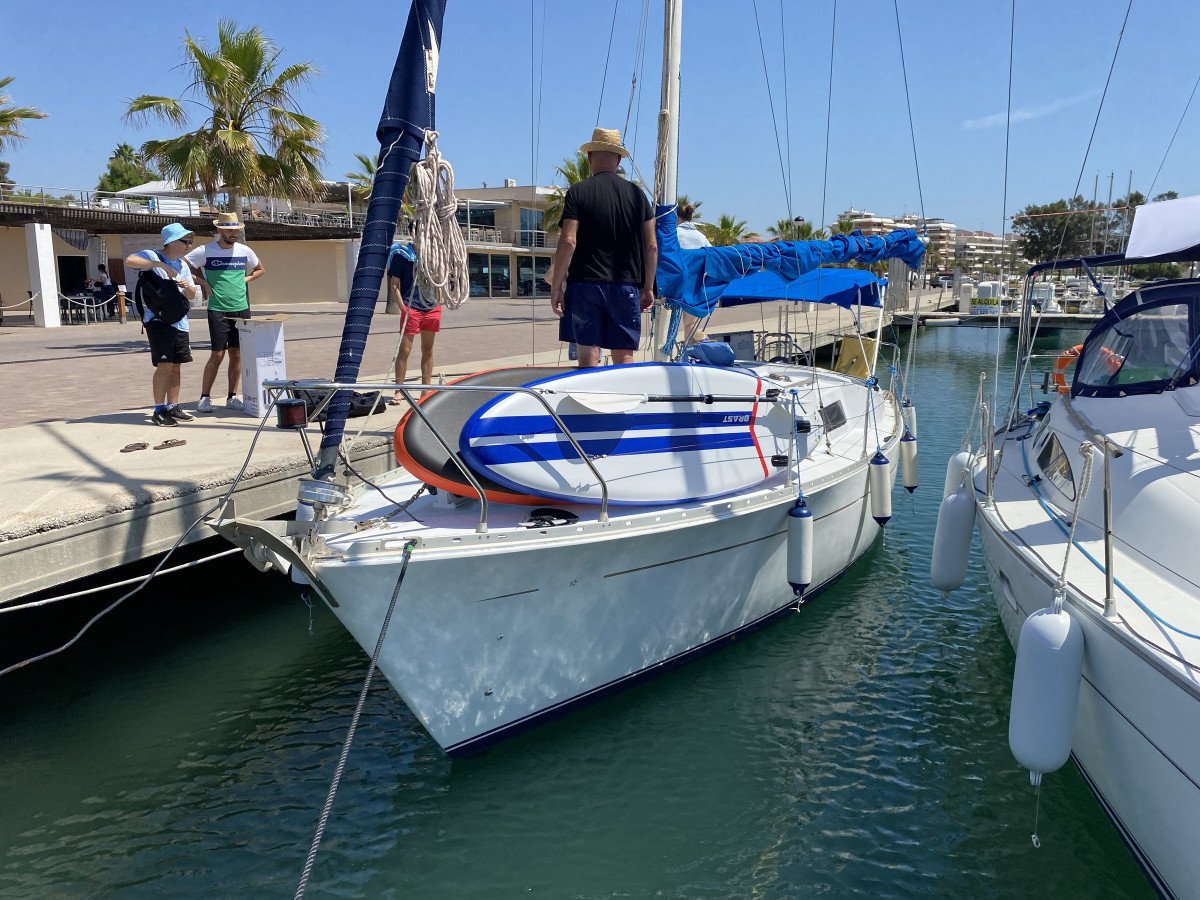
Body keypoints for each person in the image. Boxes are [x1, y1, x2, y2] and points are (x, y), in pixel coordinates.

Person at [549, 127, 657, 368]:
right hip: (625, 285)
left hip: (584, 286)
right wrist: (648, 287)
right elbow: (651, 246)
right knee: (624, 356)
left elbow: (568, 241)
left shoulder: (578, 192)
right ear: (618, 160)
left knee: (588, 357)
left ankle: (588, 403)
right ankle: (623, 402)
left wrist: (557, 286)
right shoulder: (638, 196)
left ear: (589, 158)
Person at [185, 212, 265, 412]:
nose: (233, 233)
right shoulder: (204, 251)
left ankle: (232, 396)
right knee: (217, 354)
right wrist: (202, 282)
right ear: (219, 230)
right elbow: (183, 266)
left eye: (236, 230)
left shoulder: (244, 250)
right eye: (229, 229)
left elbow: (260, 269)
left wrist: (245, 279)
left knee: (236, 354)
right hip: (217, 309)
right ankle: (204, 397)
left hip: (241, 308)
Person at [124, 223, 201, 427]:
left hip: (180, 322)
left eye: (190, 242)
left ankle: (172, 406)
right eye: (185, 241)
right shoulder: (152, 255)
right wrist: (159, 265)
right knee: (164, 366)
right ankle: (158, 409)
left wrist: (187, 286)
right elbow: (130, 260)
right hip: (158, 321)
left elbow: (192, 295)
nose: (188, 245)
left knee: (176, 366)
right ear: (171, 242)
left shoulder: (183, 265)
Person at [389, 241, 442, 402]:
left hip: (431, 307)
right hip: (411, 307)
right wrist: (403, 307)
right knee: (405, 350)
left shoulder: (434, 256)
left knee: (428, 349)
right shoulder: (402, 255)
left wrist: (439, 300)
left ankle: (425, 391)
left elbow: (441, 279)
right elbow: (394, 284)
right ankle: (399, 390)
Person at [674, 200, 712, 344]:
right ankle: (689, 354)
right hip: (695, 285)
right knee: (690, 325)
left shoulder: (674, 234)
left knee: (667, 321)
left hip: (675, 284)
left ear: (677, 217)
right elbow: (712, 256)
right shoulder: (701, 237)